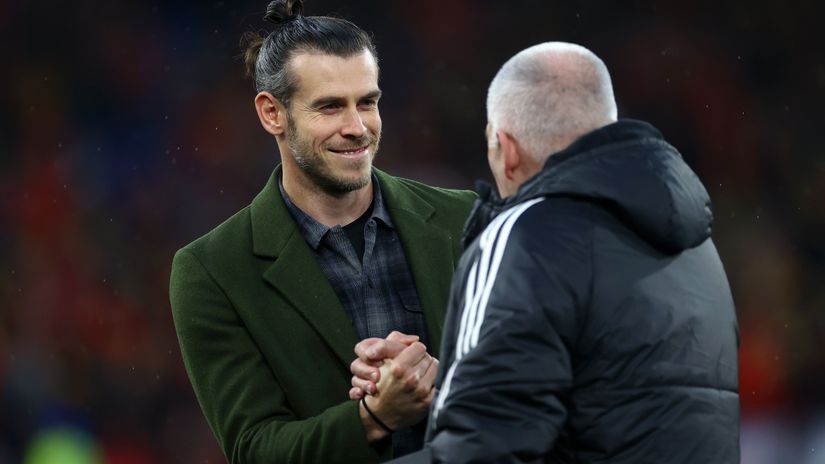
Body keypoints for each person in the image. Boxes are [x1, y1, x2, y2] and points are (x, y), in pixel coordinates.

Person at [351, 42, 740, 463]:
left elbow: (481, 452)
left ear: (506, 149)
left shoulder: (523, 233)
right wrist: (454, 380)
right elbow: (612, 404)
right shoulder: (697, 248)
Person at [168, 1, 475, 462]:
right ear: (272, 113)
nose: (357, 127)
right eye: (330, 107)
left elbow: (531, 379)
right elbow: (255, 450)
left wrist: (440, 377)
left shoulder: (465, 219)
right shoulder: (213, 271)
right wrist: (373, 416)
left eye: (367, 102)